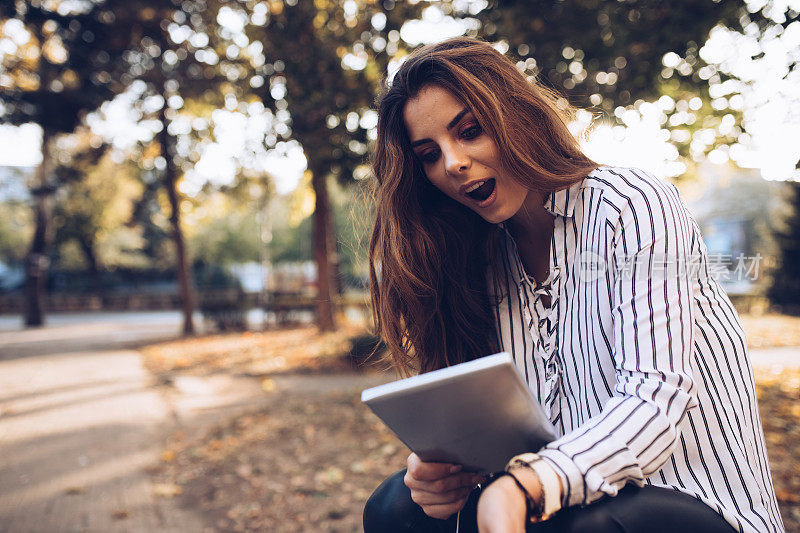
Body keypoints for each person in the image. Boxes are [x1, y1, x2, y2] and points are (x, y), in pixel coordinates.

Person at [362, 37, 784, 533]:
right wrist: (443, 474)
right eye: (429, 155)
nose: (452, 163)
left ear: (515, 116)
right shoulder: (478, 264)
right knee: (394, 508)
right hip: (562, 505)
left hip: (695, 505)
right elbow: (506, 438)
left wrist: (525, 483)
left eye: (470, 131)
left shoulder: (631, 206)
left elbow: (656, 397)